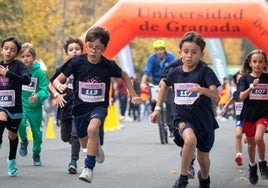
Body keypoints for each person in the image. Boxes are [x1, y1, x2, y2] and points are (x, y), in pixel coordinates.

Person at [52, 26, 142, 183]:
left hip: (98, 107)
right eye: (90, 47)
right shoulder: (76, 62)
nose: (93, 51)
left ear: (105, 48)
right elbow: (56, 80)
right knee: (84, 143)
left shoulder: (108, 65)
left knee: (93, 129)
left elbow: (125, 76)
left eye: (98, 48)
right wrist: (60, 87)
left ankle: (88, 169)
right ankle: (96, 148)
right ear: (86, 45)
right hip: (79, 108)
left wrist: (133, 94)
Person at [151, 31, 220, 188]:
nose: (189, 56)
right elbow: (163, 87)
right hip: (182, 117)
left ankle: (205, 179)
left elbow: (216, 96)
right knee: (190, 140)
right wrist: (156, 108)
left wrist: (202, 90)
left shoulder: (206, 72)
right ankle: (182, 178)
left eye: (194, 52)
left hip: (204, 120)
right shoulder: (174, 72)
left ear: (201, 54)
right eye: (186, 52)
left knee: (203, 159)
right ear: (180, 52)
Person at [49, 36, 84, 174]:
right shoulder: (61, 69)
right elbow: (50, 83)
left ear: (82, 51)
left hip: (80, 106)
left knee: (75, 134)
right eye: (71, 50)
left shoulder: (85, 68)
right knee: (65, 137)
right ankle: (76, 144)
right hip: (65, 104)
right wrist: (57, 94)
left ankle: (73, 161)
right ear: (67, 53)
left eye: (77, 49)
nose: (74, 51)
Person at [0, 36, 31, 176]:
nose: (8, 52)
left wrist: (8, 74)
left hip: (15, 107)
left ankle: (11, 160)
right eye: (6, 48)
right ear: (1, 50)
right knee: (1, 118)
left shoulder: (19, 66)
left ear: (16, 53)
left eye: (12, 50)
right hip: (1, 105)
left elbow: (26, 80)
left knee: (13, 135)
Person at [236, 49, 268, 185]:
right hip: (249, 115)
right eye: (255, 62)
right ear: (249, 63)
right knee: (250, 144)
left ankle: (262, 163)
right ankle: (252, 166)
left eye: (261, 62)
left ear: (265, 64)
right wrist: (251, 87)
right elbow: (240, 97)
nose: (257, 64)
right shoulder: (244, 78)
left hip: (264, 114)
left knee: (258, 137)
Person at [18, 43, 49, 166]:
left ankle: (36, 153)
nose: (26, 58)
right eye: (23, 56)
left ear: (33, 56)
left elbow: (44, 90)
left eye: (28, 56)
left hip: (35, 108)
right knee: (20, 123)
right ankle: (24, 141)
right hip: (21, 105)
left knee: (37, 133)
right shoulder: (18, 70)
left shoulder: (39, 73)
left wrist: (38, 96)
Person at [141, 39, 176, 137]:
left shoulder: (171, 57)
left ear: (164, 50)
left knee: (170, 104)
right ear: (155, 51)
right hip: (156, 83)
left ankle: (171, 128)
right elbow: (147, 72)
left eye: (161, 49)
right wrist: (143, 83)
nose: (159, 51)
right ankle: (153, 111)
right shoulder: (152, 58)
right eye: (157, 50)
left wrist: (170, 81)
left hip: (168, 82)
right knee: (153, 100)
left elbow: (174, 69)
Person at [218, 71, 244, 166]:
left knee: (251, 141)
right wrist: (224, 109)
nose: (240, 81)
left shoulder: (249, 90)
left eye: (241, 79)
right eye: (238, 79)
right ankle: (239, 155)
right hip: (239, 117)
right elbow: (231, 99)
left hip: (250, 117)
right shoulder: (236, 91)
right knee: (238, 135)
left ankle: (253, 163)